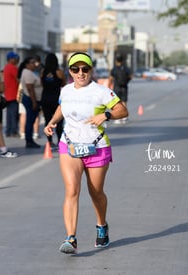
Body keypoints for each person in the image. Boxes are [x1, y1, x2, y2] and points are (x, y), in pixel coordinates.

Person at [43, 52, 128, 254]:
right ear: (70, 71)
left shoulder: (101, 91)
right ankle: (71, 238)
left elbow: (123, 110)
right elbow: (62, 107)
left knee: (95, 192)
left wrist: (105, 115)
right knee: (72, 190)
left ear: (91, 70)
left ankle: (101, 226)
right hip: (70, 145)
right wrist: (52, 122)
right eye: (75, 69)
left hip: (97, 147)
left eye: (85, 69)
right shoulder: (65, 90)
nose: (80, 73)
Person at [41, 53, 66, 149]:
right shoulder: (59, 72)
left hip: (45, 98)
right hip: (56, 98)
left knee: (48, 121)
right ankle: (60, 141)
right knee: (59, 121)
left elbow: (42, 83)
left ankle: (49, 142)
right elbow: (63, 83)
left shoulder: (43, 71)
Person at [20, 56, 43, 148]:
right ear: (27, 64)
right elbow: (30, 88)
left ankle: (29, 139)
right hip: (31, 99)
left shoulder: (31, 73)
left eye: (35, 62)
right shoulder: (28, 73)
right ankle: (29, 140)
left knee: (31, 119)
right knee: (30, 120)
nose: (34, 64)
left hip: (32, 98)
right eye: (32, 63)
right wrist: (34, 102)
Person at [108, 53, 132, 124]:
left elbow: (111, 78)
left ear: (116, 60)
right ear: (122, 60)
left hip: (117, 87)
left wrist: (109, 86)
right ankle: (124, 116)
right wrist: (126, 81)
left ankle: (118, 118)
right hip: (124, 86)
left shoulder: (114, 69)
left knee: (117, 102)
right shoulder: (125, 68)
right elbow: (130, 76)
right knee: (124, 101)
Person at [3, 51, 20, 137]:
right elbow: (18, 79)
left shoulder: (6, 67)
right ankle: (13, 131)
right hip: (13, 94)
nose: (17, 59)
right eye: (15, 58)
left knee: (9, 114)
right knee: (14, 114)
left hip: (8, 94)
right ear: (10, 59)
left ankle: (8, 131)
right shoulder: (13, 68)